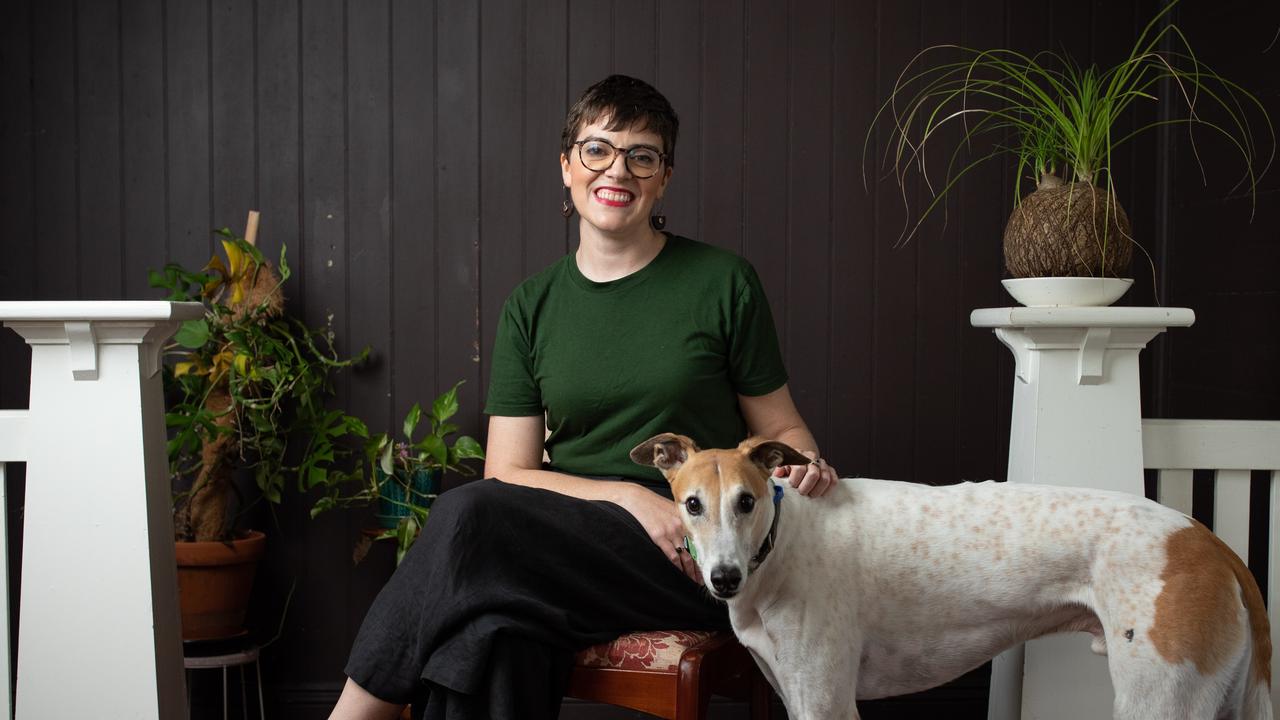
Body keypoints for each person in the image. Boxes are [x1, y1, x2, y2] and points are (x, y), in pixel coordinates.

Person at [330, 74, 838, 720]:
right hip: (564, 553)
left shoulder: (723, 283)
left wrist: (803, 467)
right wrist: (629, 496)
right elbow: (506, 473)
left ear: (664, 177)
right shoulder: (531, 307)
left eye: (641, 155)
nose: (616, 170)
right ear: (567, 166)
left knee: (466, 517)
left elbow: (785, 433)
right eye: (597, 149)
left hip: (694, 553)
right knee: (492, 636)